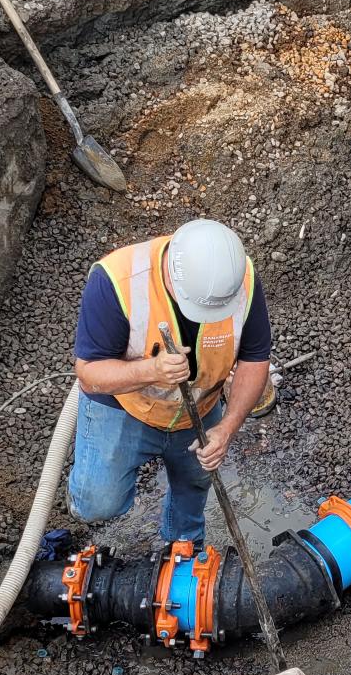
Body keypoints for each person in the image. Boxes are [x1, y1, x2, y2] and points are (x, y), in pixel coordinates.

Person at [68, 219, 271, 548]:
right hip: (126, 405)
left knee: (196, 481)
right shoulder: (117, 280)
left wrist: (227, 427)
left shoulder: (239, 279)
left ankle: (182, 546)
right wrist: (150, 370)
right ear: (172, 274)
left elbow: (255, 358)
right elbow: (90, 374)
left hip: (199, 409)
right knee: (100, 504)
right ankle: (84, 500)